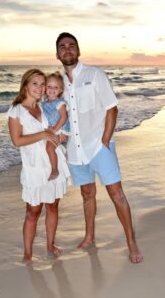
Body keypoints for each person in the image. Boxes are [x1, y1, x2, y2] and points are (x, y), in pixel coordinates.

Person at [55, 32, 143, 263]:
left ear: (78, 50)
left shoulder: (95, 75)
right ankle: (90, 236)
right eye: (62, 47)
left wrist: (105, 140)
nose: (67, 50)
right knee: (87, 193)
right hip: (75, 151)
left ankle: (131, 242)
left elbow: (112, 108)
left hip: (98, 147)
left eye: (72, 46)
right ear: (57, 54)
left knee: (116, 194)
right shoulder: (57, 83)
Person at [7, 69, 70, 263]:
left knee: (52, 206)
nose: (40, 88)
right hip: (34, 166)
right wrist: (42, 135)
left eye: (43, 84)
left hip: (53, 162)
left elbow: (60, 125)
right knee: (33, 212)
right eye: (35, 83)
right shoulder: (16, 111)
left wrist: (61, 137)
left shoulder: (44, 107)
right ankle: (27, 253)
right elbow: (17, 141)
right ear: (25, 84)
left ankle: (50, 245)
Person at [42, 72, 71, 181]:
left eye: (55, 87)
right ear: (45, 88)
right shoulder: (44, 103)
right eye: (49, 86)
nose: (52, 89)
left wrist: (56, 130)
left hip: (61, 130)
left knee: (49, 148)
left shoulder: (60, 103)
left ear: (60, 90)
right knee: (47, 149)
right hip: (53, 129)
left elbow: (64, 117)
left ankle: (55, 170)